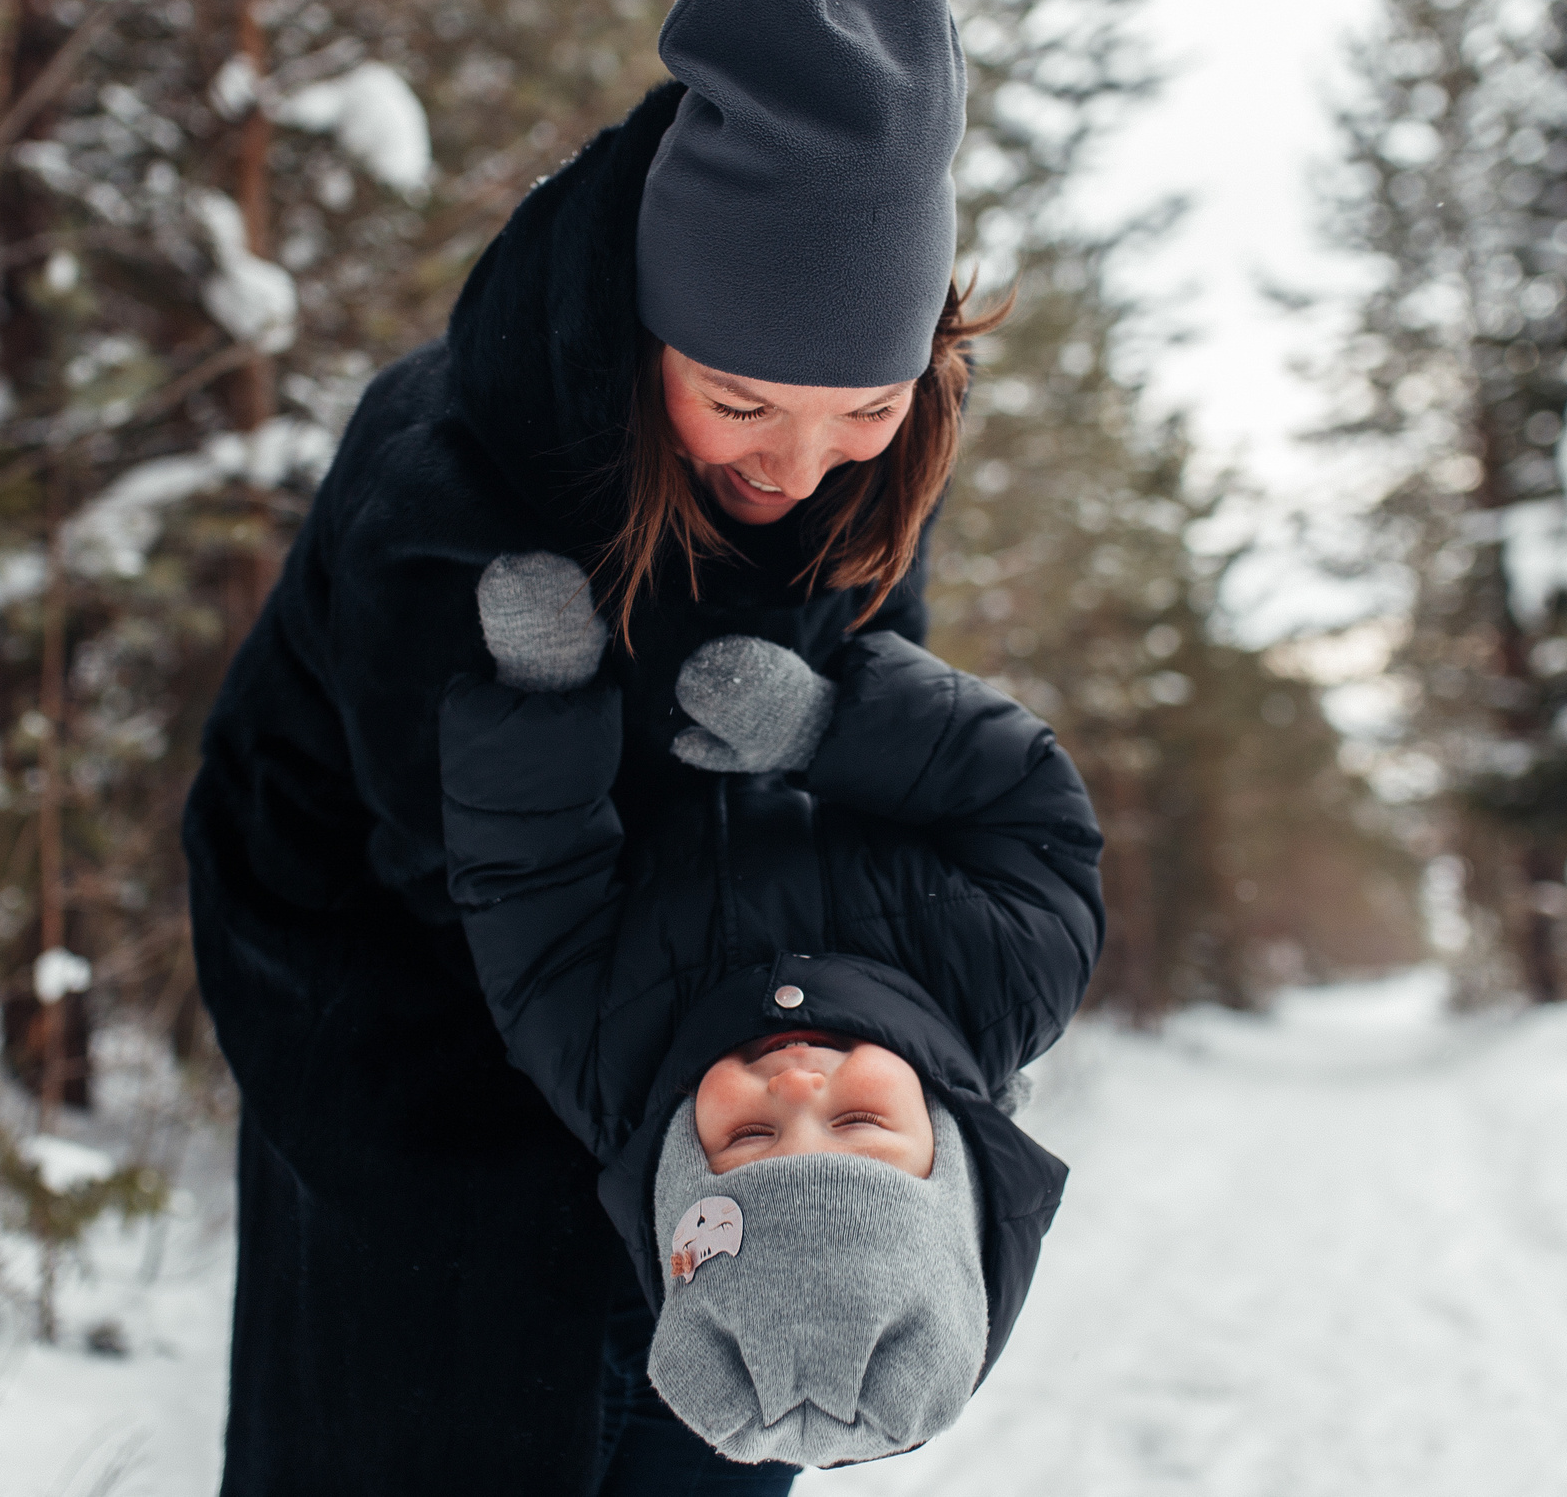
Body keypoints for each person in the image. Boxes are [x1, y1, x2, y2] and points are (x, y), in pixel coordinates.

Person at [185, 0, 1000, 1493]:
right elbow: (479, 874)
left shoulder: (856, 471)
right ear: (648, 333)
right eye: (742, 401)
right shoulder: (445, 487)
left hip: (696, 1081)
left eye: (866, 407)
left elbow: (865, 778)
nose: (797, 462)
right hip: (414, 1075)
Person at [440, 554, 1105, 1470]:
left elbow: (526, 875)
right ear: (949, 1151)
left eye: (749, 1135)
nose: (796, 1083)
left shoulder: (596, 1052)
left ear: (678, 1175)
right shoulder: (1012, 977)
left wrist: (544, 698)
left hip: (631, 699)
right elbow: (1032, 809)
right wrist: (825, 728)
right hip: (822, 629)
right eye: (862, 1117)